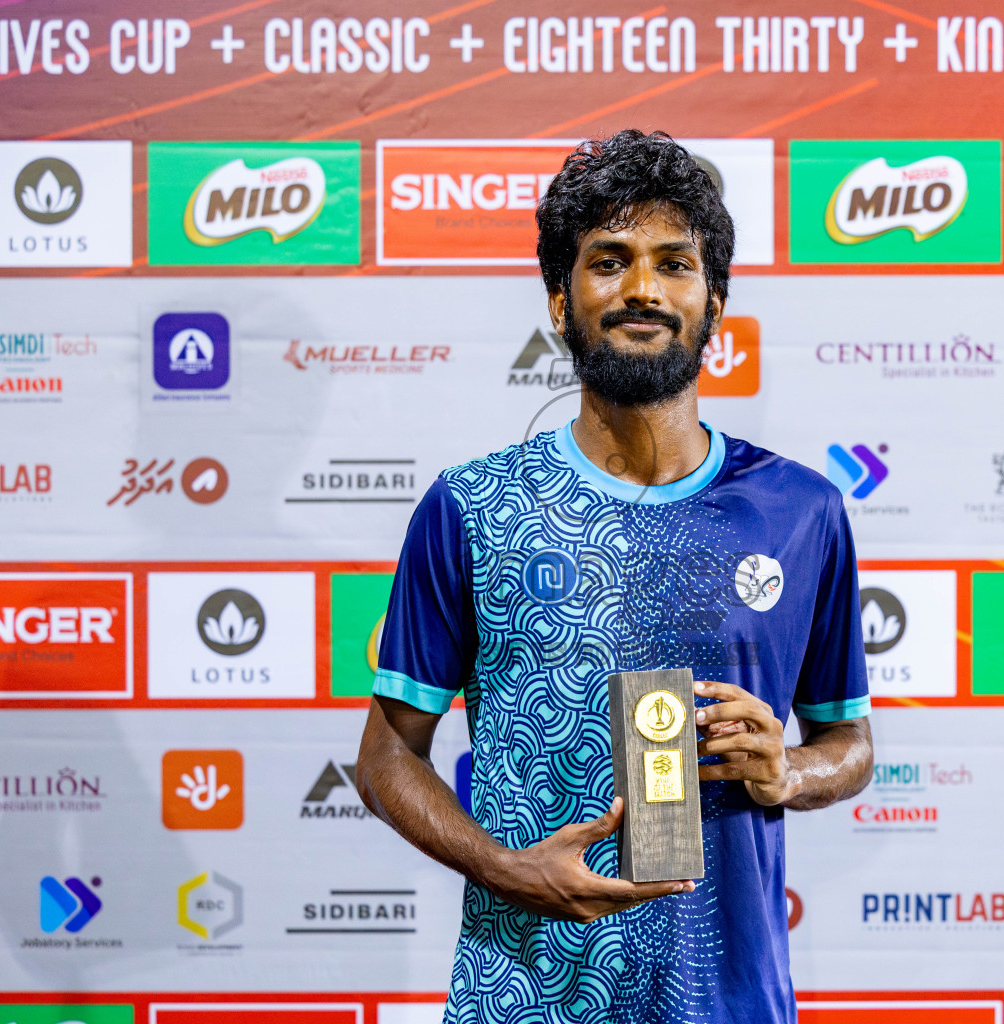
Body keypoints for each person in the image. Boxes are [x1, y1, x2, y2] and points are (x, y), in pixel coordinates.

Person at [356, 129, 874, 1024]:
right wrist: (506, 869)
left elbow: (852, 745)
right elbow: (383, 758)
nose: (643, 289)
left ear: (714, 299)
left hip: (730, 998)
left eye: (675, 263)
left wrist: (787, 770)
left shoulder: (802, 510)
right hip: (525, 996)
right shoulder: (471, 507)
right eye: (609, 262)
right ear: (560, 301)